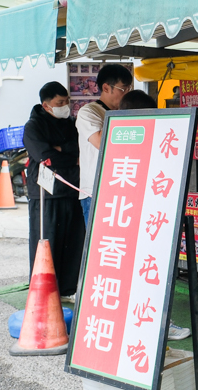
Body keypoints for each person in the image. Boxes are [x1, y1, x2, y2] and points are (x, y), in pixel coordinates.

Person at [117, 89, 191, 341]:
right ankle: (156, 324)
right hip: (139, 225)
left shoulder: (122, 140)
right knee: (146, 276)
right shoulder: (134, 141)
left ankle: (148, 322)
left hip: (134, 223)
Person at [23, 82, 85, 301]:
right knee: (46, 240)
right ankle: (44, 290)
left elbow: (81, 149)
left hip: (72, 189)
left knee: (73, 240)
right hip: (45, 193)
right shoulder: (33, 126)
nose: (65, 106)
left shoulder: (71, 123)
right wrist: (66, 153)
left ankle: (68, 289)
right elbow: (44, 156)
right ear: (46, 105)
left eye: (66, 101)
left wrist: (61, 149)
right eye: (60, 103)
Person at [76, 64, 132, 225]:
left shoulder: (124, 112)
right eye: (123, 89)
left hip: (122, 188)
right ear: (106, 88)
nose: (127, 93)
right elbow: (102, 143)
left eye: (129, 89)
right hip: (95, 191)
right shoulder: (89, 112)